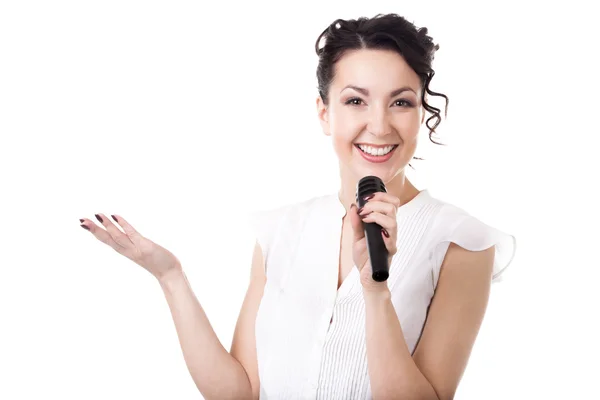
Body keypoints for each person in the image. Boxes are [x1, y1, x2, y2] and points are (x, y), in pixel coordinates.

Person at [80, 13, 516, 400]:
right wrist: (170, 276)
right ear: (325, 113)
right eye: (355, 101)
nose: (379, 125)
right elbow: (241, 391)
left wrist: (376, 291)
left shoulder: (462, 242)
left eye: (401, 102)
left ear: (420, 113)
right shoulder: (281, 230)